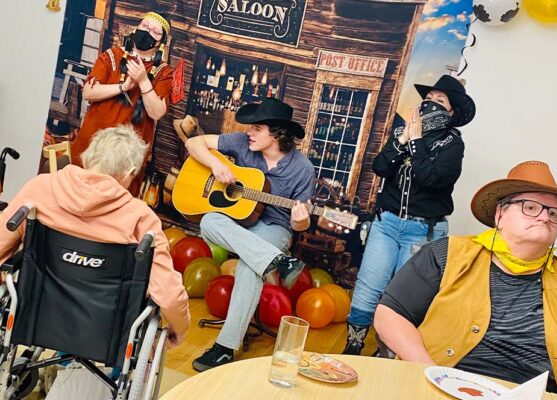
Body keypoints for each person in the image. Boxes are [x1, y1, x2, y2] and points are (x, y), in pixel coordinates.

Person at [374, 161, 557, 396]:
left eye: (554, 213)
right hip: (442, 389)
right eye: (531, 208)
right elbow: (389, 315)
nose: (545, 217)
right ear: (500, 214)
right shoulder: (448, 254)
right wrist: (433, 376)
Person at [0, 125, 190, 347]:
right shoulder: (140, 217)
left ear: (89, 158)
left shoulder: (40, 188)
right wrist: (179, 329)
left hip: (36, 312)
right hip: (105, 332)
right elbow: (168, 293)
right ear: (130, 172)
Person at [343, 75, 476, 355]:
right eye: (428, 99)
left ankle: (387, 352)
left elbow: (433, 179)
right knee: (370, 283)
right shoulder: (401, 134)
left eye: (440, 101)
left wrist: (415, 142)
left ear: (451, 113)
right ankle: (353, 344)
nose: (431, 104)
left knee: (404, 297)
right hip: (387, 223)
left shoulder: (452, 144)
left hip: (423, 231)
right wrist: (402, 139)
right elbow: (380, 167)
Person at [186, 98, 315, 372]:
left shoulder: (302, 168)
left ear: (277, 133)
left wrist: (301, 221)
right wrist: (213, 164)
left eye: (257, 128)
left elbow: (300, 227)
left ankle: (224, 348)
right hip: (237, 224)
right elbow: (192, 143)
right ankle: (278, 262)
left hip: (274, 229)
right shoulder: (240, 143)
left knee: (249, 266)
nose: (249, 132)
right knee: (209, 220)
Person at [70, 11, 173, 195]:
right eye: (145, 26)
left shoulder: (163, 72)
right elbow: (88, 92)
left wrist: (143, 81)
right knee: (76, 194)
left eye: (155, 32)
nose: (148, 32)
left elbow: (157, 113)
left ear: (161, 42)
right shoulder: (112, 56)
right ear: (136, 28)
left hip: (126, 158)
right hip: (92, 144)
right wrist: (122, 87)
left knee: (114, 203)